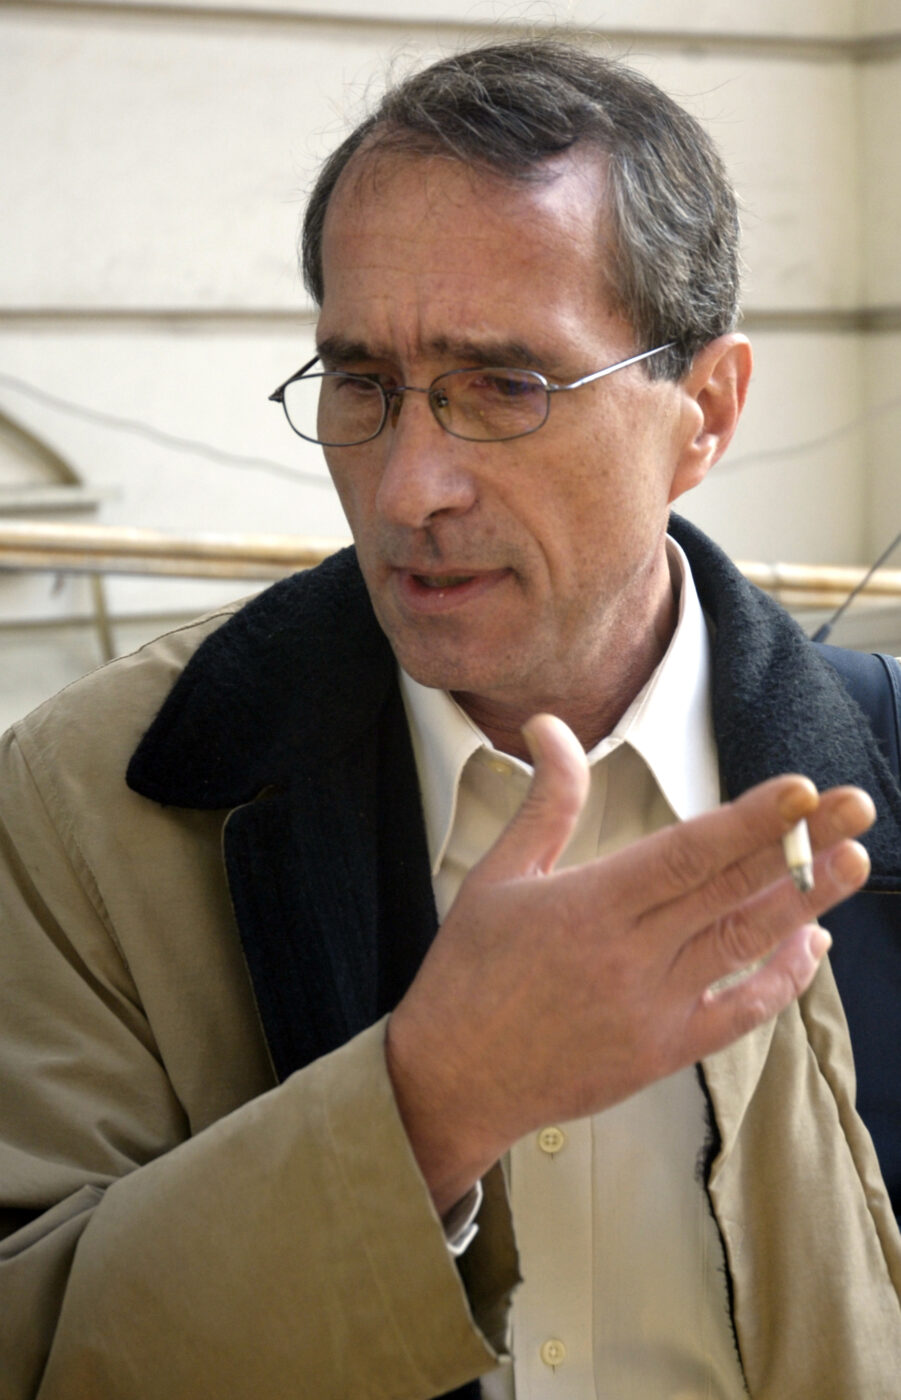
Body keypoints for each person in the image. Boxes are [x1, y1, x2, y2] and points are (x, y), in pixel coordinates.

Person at [1, 38, 900, 1400]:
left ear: (703, 414)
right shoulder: (96, 801)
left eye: (503, 387)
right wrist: (427, 1107)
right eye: (362, 383)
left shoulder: (885, 775)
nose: (410, 486)